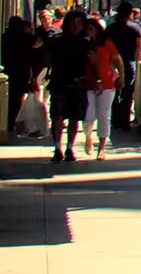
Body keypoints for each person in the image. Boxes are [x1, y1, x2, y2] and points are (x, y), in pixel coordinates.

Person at [45, 10, 90, 164]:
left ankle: (70, 148)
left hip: (78, 83)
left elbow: (95, 60)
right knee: (57, 115)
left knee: (74, 117)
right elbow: (47, 59)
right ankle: (58, 147)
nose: (75, 27)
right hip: (59, 81)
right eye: (72, 23)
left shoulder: (86, 43)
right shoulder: (56, 41)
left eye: (79, 24)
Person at [83, 17, 122, 162]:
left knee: (104, 115)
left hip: (106, 83)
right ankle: (88, 135)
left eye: (91, 29)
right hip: (88, 83)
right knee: (88, 115)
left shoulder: (106, 43)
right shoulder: (83, 44)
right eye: (87, 29)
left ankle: (101, 147)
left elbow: (117, 59)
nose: (89, 32)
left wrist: (122, 76)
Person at [106, 3, 141, 131]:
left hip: (113, 62)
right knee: (127, 92)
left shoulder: (111, 28)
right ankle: (124, 121)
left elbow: (105, 45)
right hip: (129, 62)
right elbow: (139, 48)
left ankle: (114, 120)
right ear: (130, 13)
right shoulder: (135, 28)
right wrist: (137, 59)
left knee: (114, 91)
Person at [4, 14, 41, 137]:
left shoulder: (5, 37)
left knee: (9, 97)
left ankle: (9, 121)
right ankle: (13, 121)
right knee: (17, 98)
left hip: (8, 70)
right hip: (21, 71)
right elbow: (39, 43)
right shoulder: (25, 37)